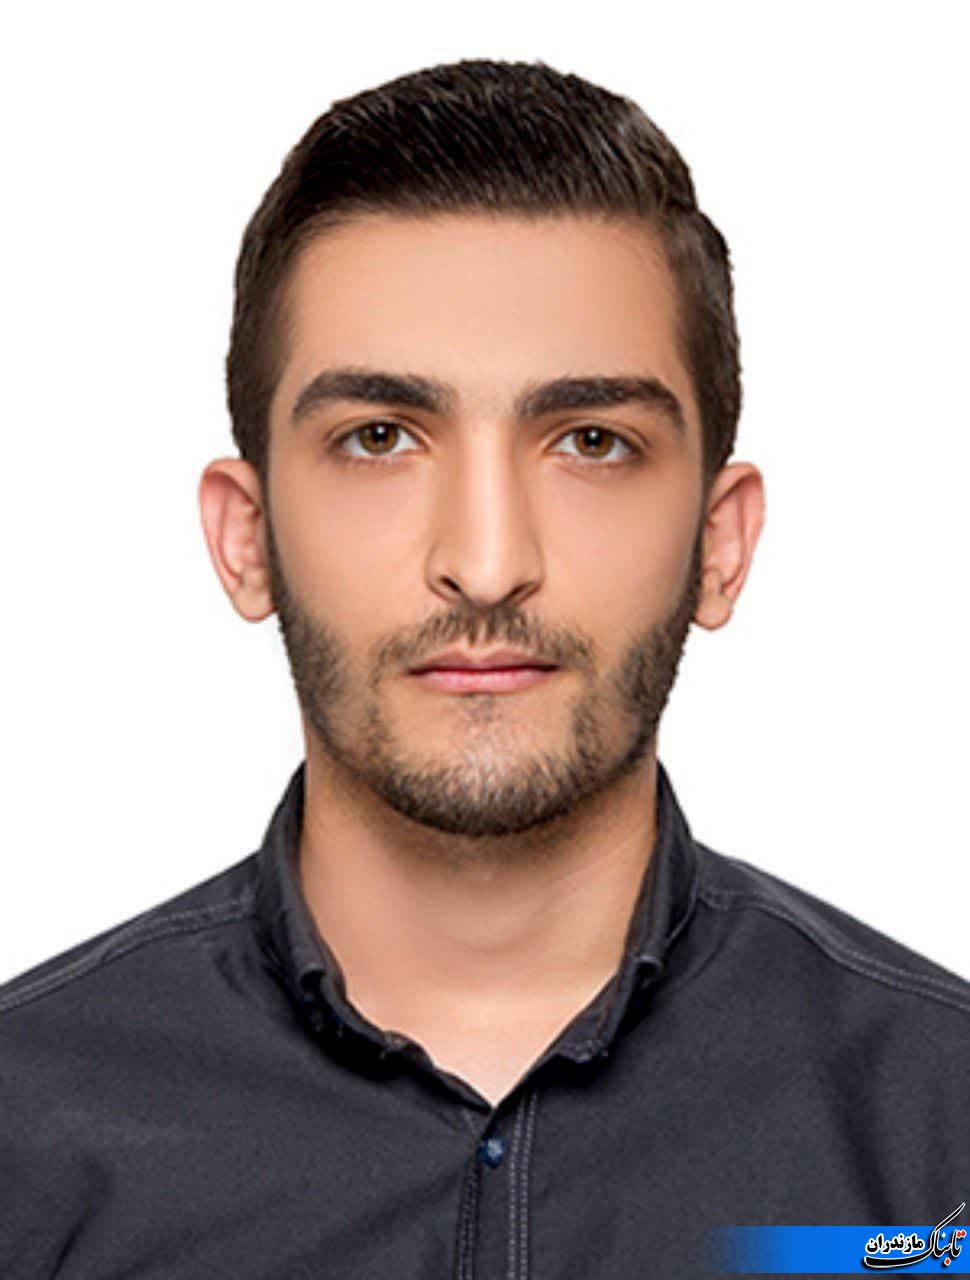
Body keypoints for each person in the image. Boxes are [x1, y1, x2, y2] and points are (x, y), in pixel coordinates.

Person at [2, 57, 967, 1279]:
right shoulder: (24, 1146)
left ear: (719, 545)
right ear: (245, 538)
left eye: (591, 441)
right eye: (379, 437)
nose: (488, 561)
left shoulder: (937, 1147)